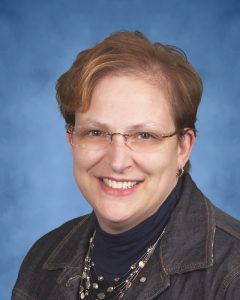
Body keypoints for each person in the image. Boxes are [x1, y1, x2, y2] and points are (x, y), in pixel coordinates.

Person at [12, 31, 240, 300]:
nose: (117, 162)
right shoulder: (43, 259)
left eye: (145, 136)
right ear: (72, 139)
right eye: (95, 133)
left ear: (182, 147)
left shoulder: (232, 274)